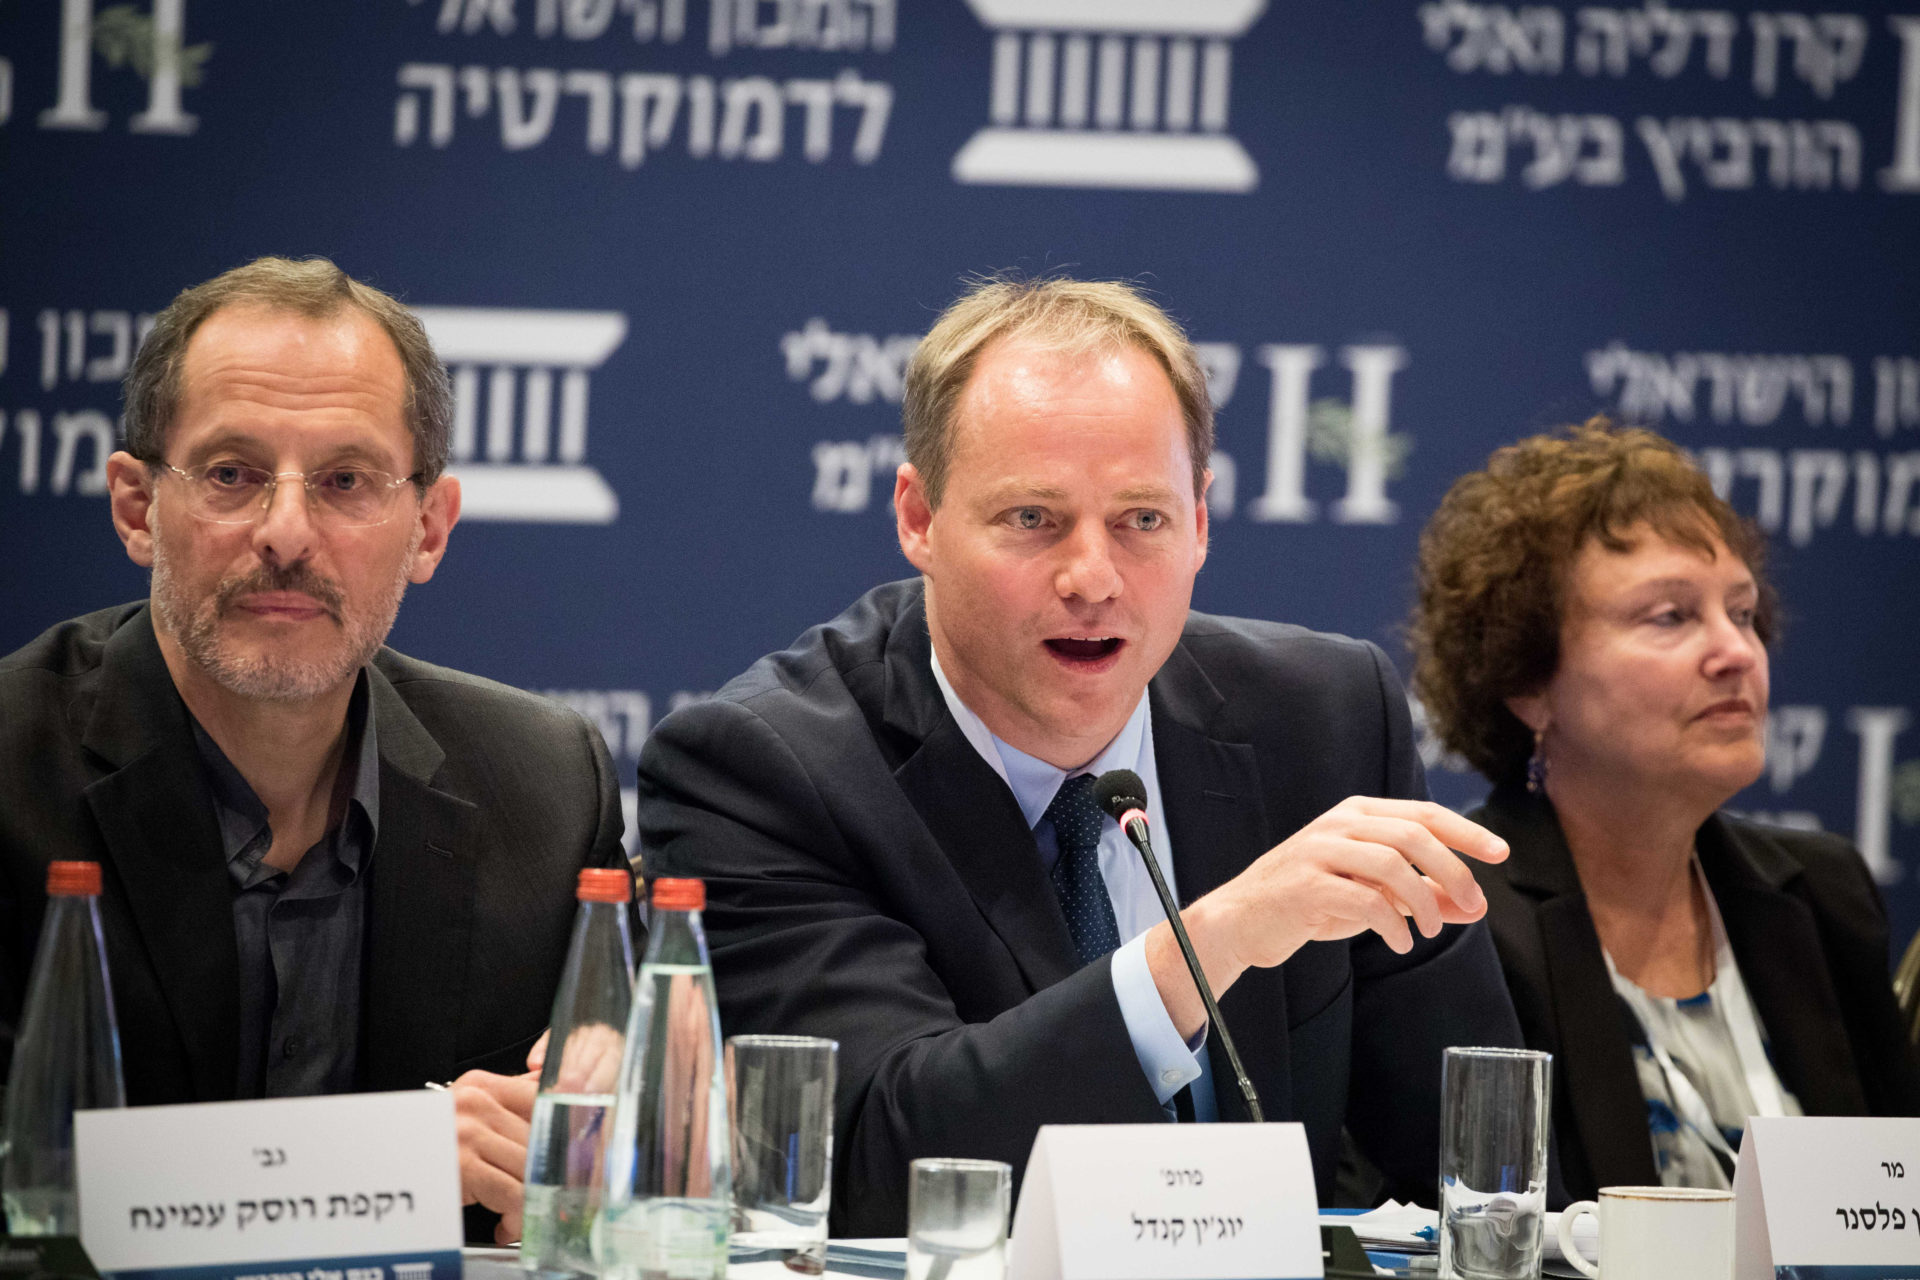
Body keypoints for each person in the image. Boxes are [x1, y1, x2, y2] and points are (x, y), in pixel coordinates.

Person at [636, 276, 1524, 1235]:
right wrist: (1213, 943)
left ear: (1200, 521)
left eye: (1142, 519)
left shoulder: (1326, 720)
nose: (1093, 579)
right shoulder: (767, 769)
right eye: (1033, 519)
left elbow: (1471, 1163)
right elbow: (872, 1162)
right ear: (919, 517)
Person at [0, 257, 630, 1242]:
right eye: (232, 474)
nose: (287, 533)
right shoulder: (10, 766)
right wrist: (377, 1168)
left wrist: (608, 1143)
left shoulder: (547, 793)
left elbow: (617, 1171)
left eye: (345, 481)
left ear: (428, 529)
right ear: (136, 507)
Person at [1408, 419, 1920, 1201]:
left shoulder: (1824, 894)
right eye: (1671, 617)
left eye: (1742, 613)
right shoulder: (1459, 921)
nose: (1737, 653)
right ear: (1527, 681)